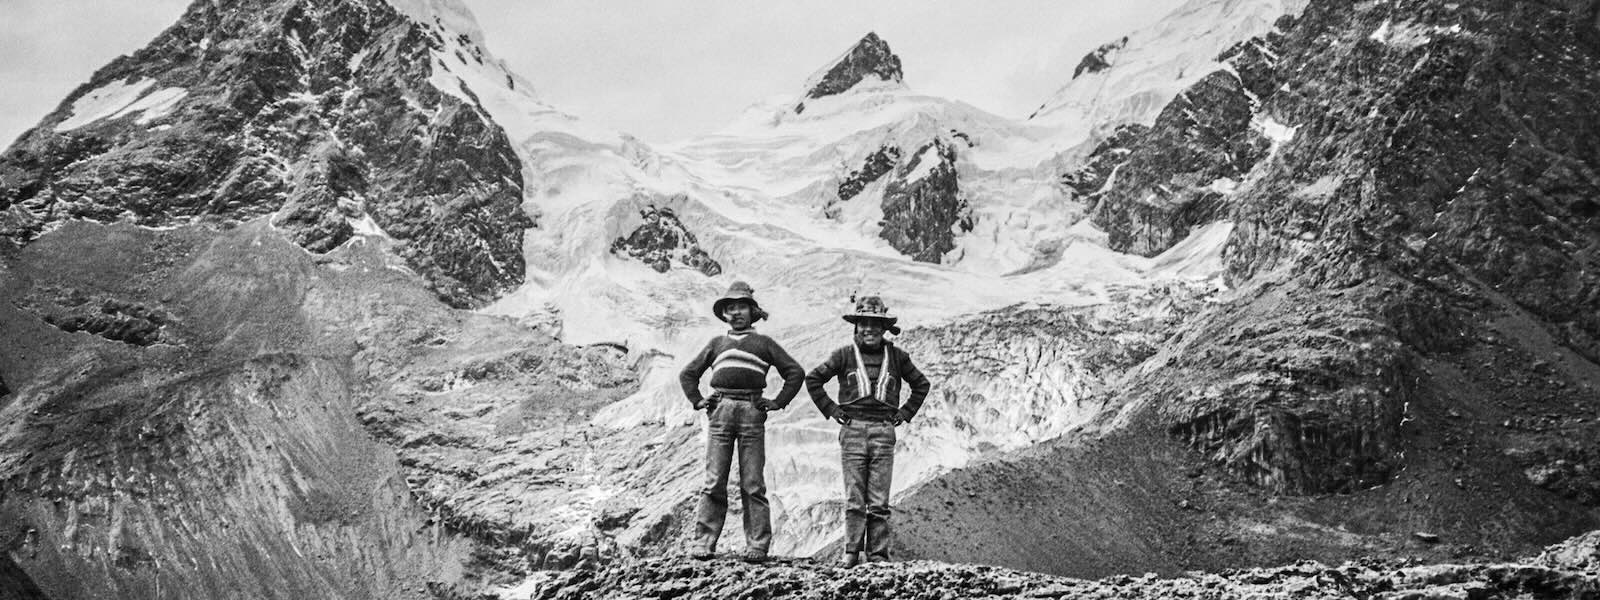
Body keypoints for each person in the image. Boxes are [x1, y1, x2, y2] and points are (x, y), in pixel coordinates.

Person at [679, 280, 805, 563]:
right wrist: (699, 401)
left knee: (752, 482)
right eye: (730, 308)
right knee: (714, 481)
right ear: (724, 314)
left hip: (751, 410)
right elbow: (688, 374)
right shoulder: (716, 343)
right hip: (721, 410)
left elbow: (795, 372)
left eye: (741, 307)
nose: (736, 313)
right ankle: (704, 543)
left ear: (753, 311)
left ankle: (757, 546)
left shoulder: (764, 344)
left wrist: (776, 402)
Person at [805, 295, 930, 567]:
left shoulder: (897, 357)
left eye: (875, 323)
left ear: (884, 327)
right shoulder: (843, 355)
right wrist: (832, 409)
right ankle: (851, 553)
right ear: (856, 326)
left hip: (884, 431)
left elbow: (921, 384)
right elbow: (813, 379)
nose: (869, 329)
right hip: (852, 430)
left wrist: (905, 412)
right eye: (864, 323)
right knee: (854, 498)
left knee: (878, 501)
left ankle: (877, 556)